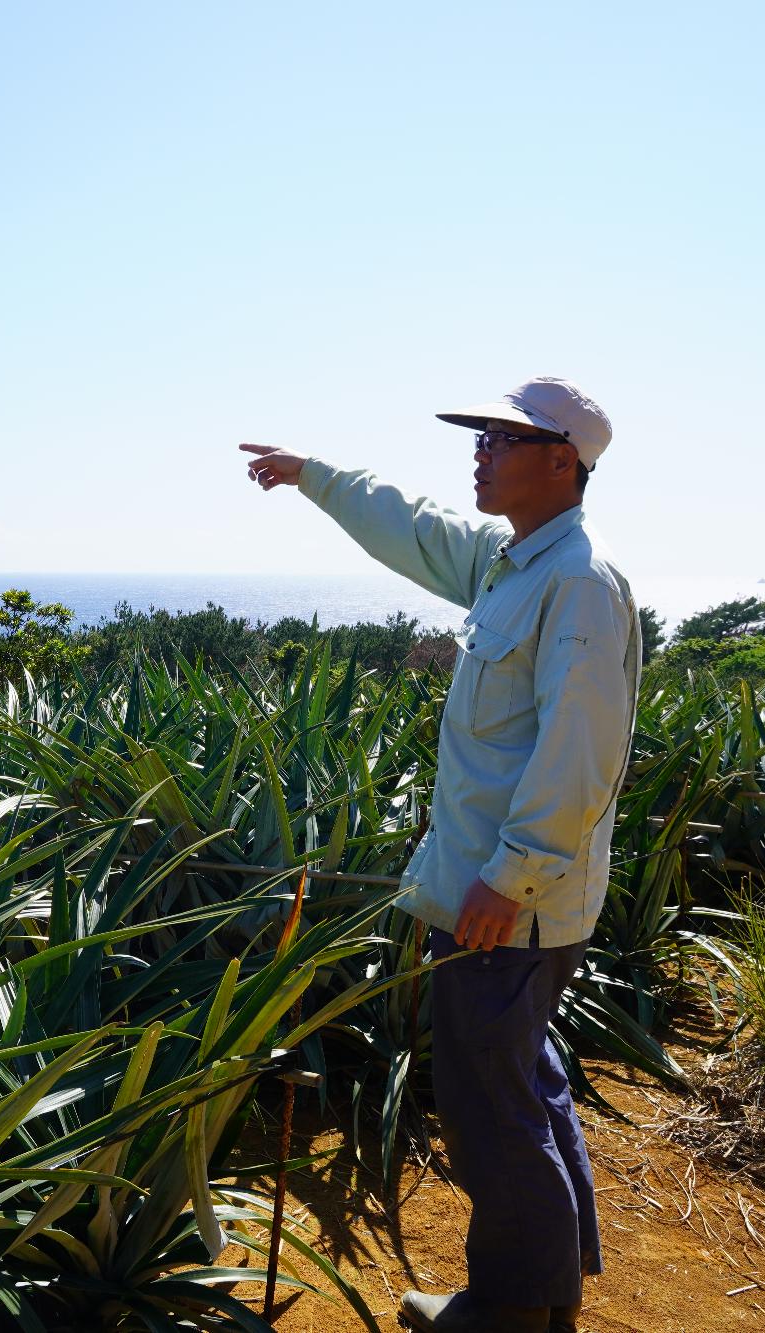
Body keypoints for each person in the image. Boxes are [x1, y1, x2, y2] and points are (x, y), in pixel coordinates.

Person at [239, 377, 639, 1333]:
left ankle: (508, 1309)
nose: (481, 450)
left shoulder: (575, 586)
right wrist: (315, 477)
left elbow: (577, 755)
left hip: (509, 903)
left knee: (490, 1106)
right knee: (521, 1086)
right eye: (482, 436)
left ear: (562, 462)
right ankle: (545, 1292)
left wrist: (508, 878)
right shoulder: (516, 568)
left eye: (504, 438)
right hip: (509, 895)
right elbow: (412, 526)